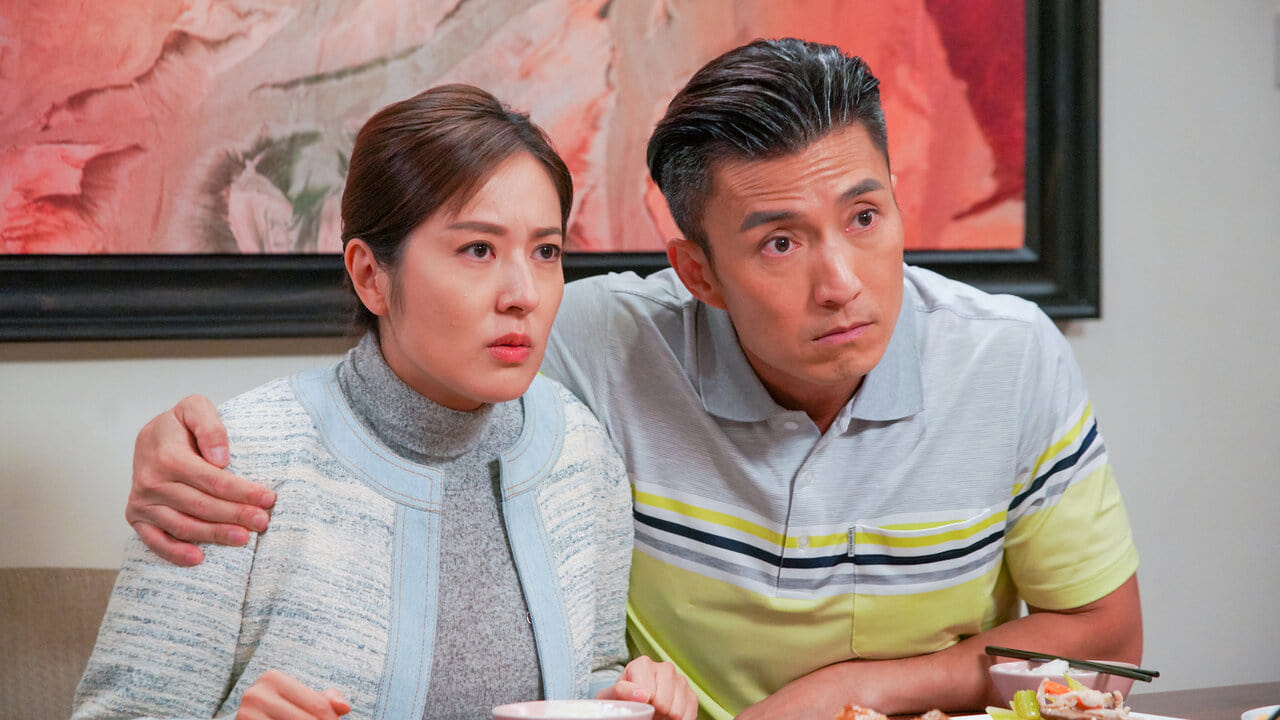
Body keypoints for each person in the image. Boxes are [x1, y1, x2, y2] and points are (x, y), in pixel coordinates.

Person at [123, 39, 1142, 719]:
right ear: (698, 273)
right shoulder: (592, 352)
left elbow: (1107, 644)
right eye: (780, 242)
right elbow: (390, 391)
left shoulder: (1006, 356)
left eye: (865, 218)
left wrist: (852, 689)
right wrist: (189, 441)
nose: (842, 282)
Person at [74, 84, 696, 720]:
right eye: (478, 249)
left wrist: (625, 700)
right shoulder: (231, 465)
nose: (524, 294)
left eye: (546, 251)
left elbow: (586, 675)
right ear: (371, 275)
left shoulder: (580, 453)